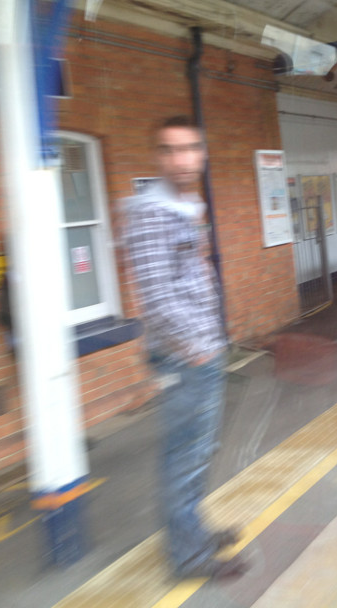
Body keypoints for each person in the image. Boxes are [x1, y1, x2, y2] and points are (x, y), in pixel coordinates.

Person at [124, 115, 244, 580]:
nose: (181, 159)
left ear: (202, 153)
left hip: (201, 350)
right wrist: (196, 348)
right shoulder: (152, 212)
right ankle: (189, 558)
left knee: (197, 453)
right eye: (169, 150)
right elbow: (155, 299)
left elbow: (188, 275)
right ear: (158, 157)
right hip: (186, 357)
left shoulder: (184, 205)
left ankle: (192, 533)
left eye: (189, 148)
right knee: (184, 456)